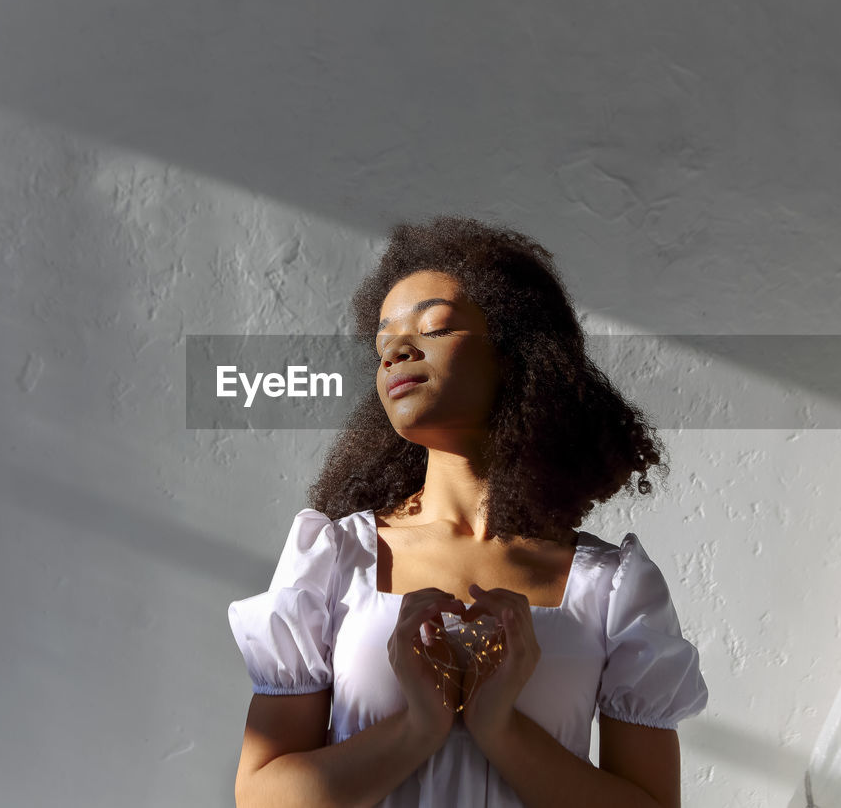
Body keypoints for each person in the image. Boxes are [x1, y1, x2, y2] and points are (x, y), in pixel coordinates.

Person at [228, 215, 709, 807]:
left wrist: (500, 728)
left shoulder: (612, 590)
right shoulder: (336, 558)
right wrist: (416, 729)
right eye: (383, 342)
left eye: (432, 327)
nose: (397, 350)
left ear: (514, 352)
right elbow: (259, 798)